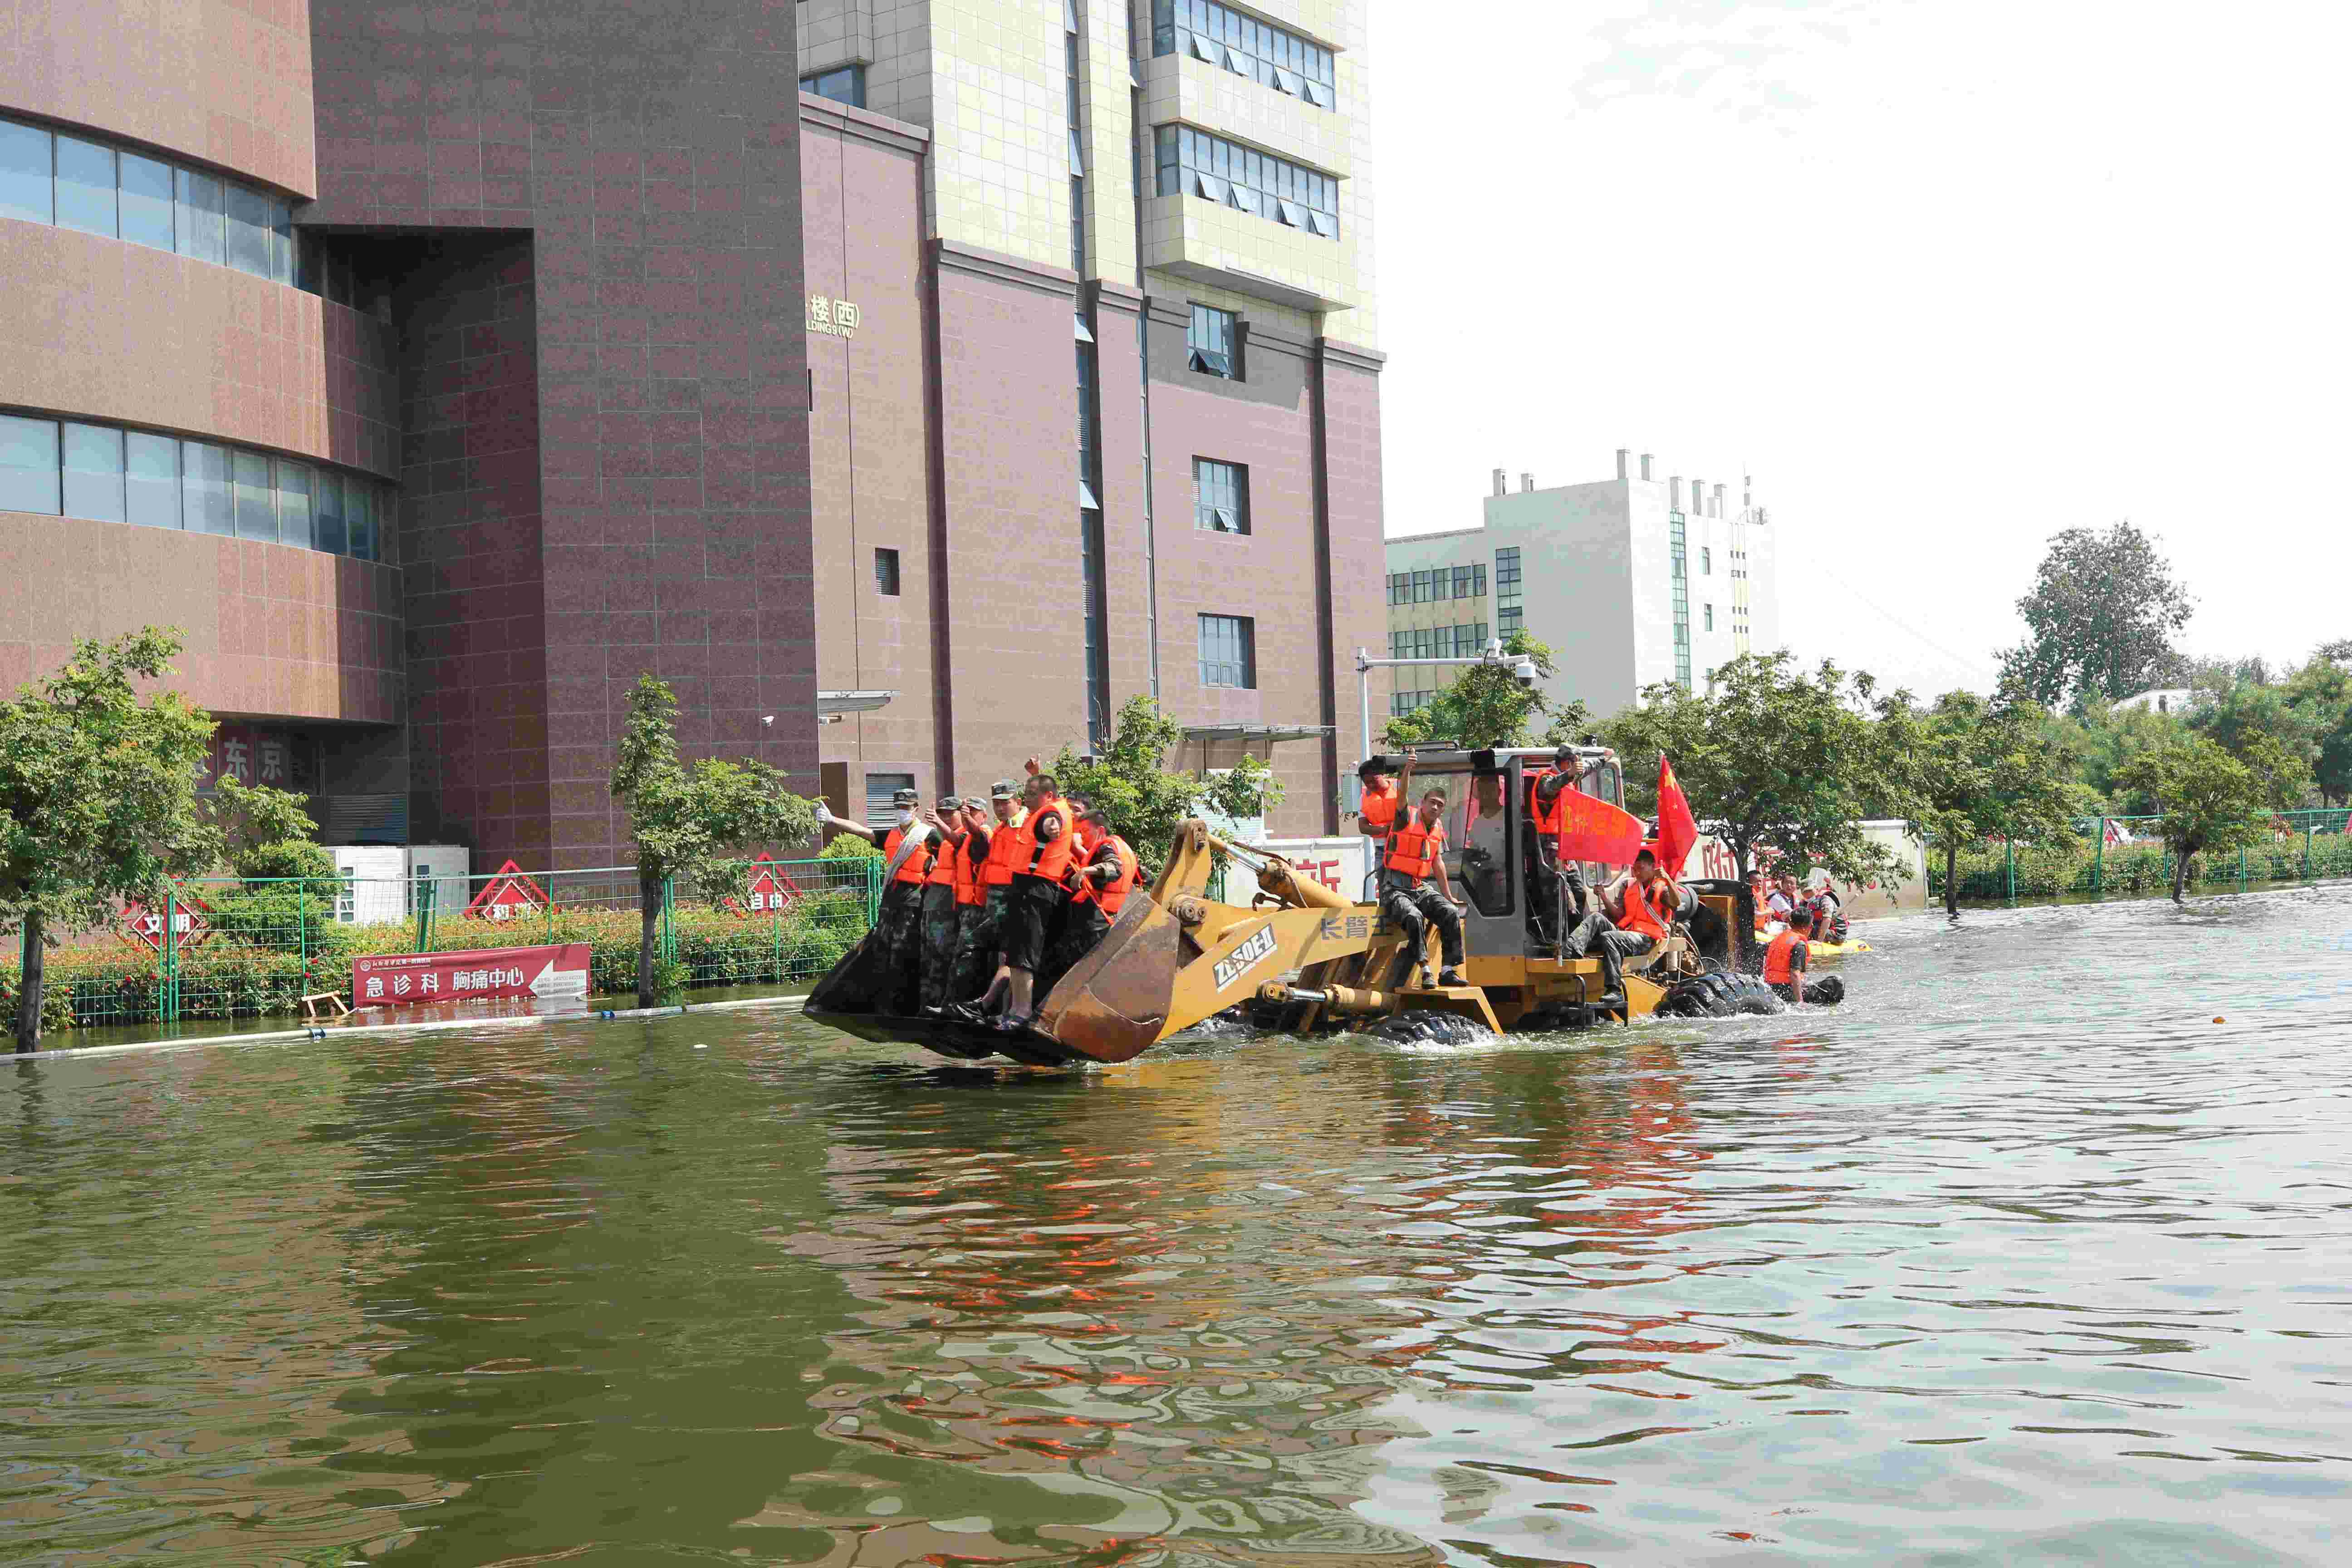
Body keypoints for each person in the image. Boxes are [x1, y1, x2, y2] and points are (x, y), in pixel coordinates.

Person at [816, 786, 932, 1013]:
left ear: (916, 809)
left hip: (914, 902)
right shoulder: (890, 835)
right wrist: (832, 819)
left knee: (905, 951)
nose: (901, 811)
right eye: (898, 807)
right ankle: (883, 1003)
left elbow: (953, 850)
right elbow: (861, 831)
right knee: (883, 949)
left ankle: (908, 1005)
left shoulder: (928, 835)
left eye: (906, 808)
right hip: (890, 903)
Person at [994, 772, 1076, 1032]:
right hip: (1023, 888)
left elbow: (1053, 826)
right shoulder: (1042, 811)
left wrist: (1052, 829)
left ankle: (1022, 1012)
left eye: (1031, 794)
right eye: (1026, 793)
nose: (1025, 799)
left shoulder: (1053, 815)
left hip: (1037, 889)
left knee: (1026, 951)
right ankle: (1015, 1010)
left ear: (1048, 796)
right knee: (1016, 953)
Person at [948, 780, 1024, 1020]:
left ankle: (1003, 1014)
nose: (1000, 808)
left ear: (1018, 803)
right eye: (997, 804)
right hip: (993, 903)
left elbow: (977, 833)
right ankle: (971, 1008)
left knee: (1007, 958)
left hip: (1013, 901)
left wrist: (1037, 774)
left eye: (1005, 803)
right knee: (986, 954)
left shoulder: (1026, 825)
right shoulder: (1003, 829)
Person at [1379, 787, 1466, 988]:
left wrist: (1449, 896)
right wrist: (1408, 769)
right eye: (1433, 802)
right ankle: (1425, 970)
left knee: (1451, 912)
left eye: (1440, 805)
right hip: (1394, 887)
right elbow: (1401, 796)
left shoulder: (1437, 829)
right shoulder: (1405, 817)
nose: (1435, 807)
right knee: (1413, 916)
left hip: (1419, 886)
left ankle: (1447, 971)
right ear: (1423, 802)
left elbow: (1438, 863)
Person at [1045, 808, 1140, 986]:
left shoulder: (1106, 846)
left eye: (1085, 832)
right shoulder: (1122, 847)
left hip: (1094, 923)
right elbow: (1145, 876)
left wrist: (1085, 871)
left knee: (1076, 970)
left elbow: (1115, 869)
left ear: (1101, 830)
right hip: (1107, 919)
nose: (1082, 837)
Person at [1592, 848, 1682, 1004]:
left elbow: (1677, 902)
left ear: (1652, 867)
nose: (1637, 873)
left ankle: (1615, 990)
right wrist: (1603, 896)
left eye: (1641, 869)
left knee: (1609, 937)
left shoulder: (1661, 887)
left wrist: (1668, 878)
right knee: (1596, 919)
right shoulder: (1629, 887)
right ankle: (1570, 951)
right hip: (1628, 934)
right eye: (1635, 869)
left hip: (1647, 939)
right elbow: (1619, 915)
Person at [1523, 745, 1592, 949]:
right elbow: (1551, 788)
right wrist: (1570, 775)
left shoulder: (1570, 780)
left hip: (1566, 847)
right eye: (1575, 763)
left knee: (1579, 893)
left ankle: (1575, 939)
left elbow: (1586, 770)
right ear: (1567, 763)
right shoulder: (1547, 779)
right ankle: (1556, 941)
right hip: (1548, 847)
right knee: (1557, 893)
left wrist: (1604, 760)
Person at [916, 798, 970, 1017]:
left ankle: (941, 1005)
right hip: (933, 900)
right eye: (942, 813)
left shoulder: (965, 835)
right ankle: (926, 1004)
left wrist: (938, 822)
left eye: (950, 813)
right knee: (928, 955)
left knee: (942, 955)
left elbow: (957, 840)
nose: (946, 817)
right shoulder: (944, 840)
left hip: (948, 902)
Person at [1764, 906, 1813, 1005]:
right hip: (1786, 991)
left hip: (1770, 987)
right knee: (1832, 988)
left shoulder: (1778, 938)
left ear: (1790, 923)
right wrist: (1800, 1003)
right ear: (1809, 927)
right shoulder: (1799, 944)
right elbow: (1795, 974)